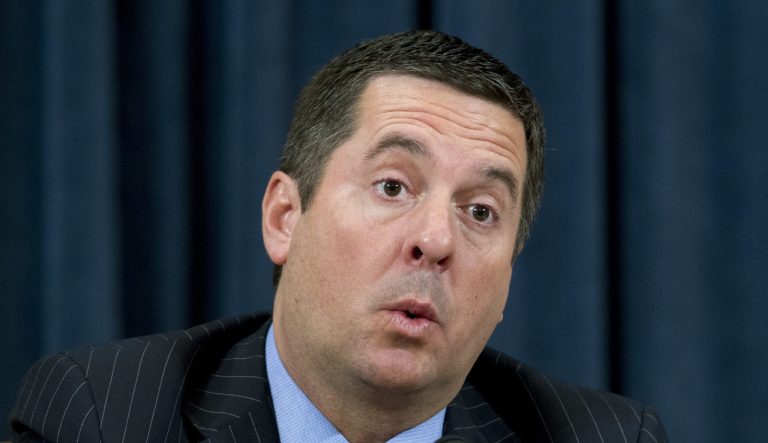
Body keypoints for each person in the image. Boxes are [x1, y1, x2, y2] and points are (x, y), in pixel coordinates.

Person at [10, 30, 666, 442]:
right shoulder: (104, 416)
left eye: (480, 212)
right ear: (284, 217)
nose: (436, 239)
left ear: (507, 284)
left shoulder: (603, 437)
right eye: (393, 186)